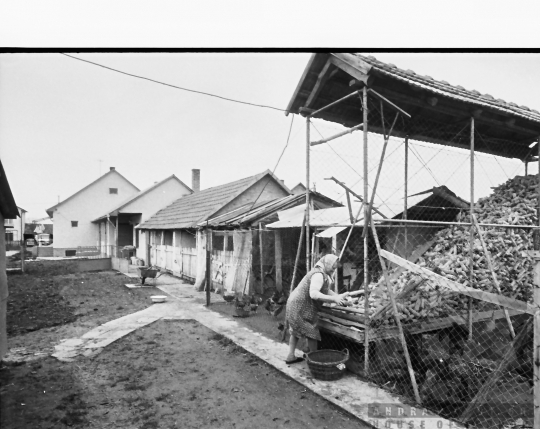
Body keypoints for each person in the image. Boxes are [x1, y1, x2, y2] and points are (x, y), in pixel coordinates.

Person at [284, 254, 349, 364]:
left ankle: (291, 356)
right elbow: (314, 294)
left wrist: (338, 297)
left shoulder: (321, 273)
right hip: (299, 306)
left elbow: (325, 290)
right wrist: (334, 299)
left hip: (294, 304)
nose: (334, 269)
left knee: (295, 331)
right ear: (327, 264)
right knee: (312, 332)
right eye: (332, 267)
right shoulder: (318, 275)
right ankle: (314, 360)